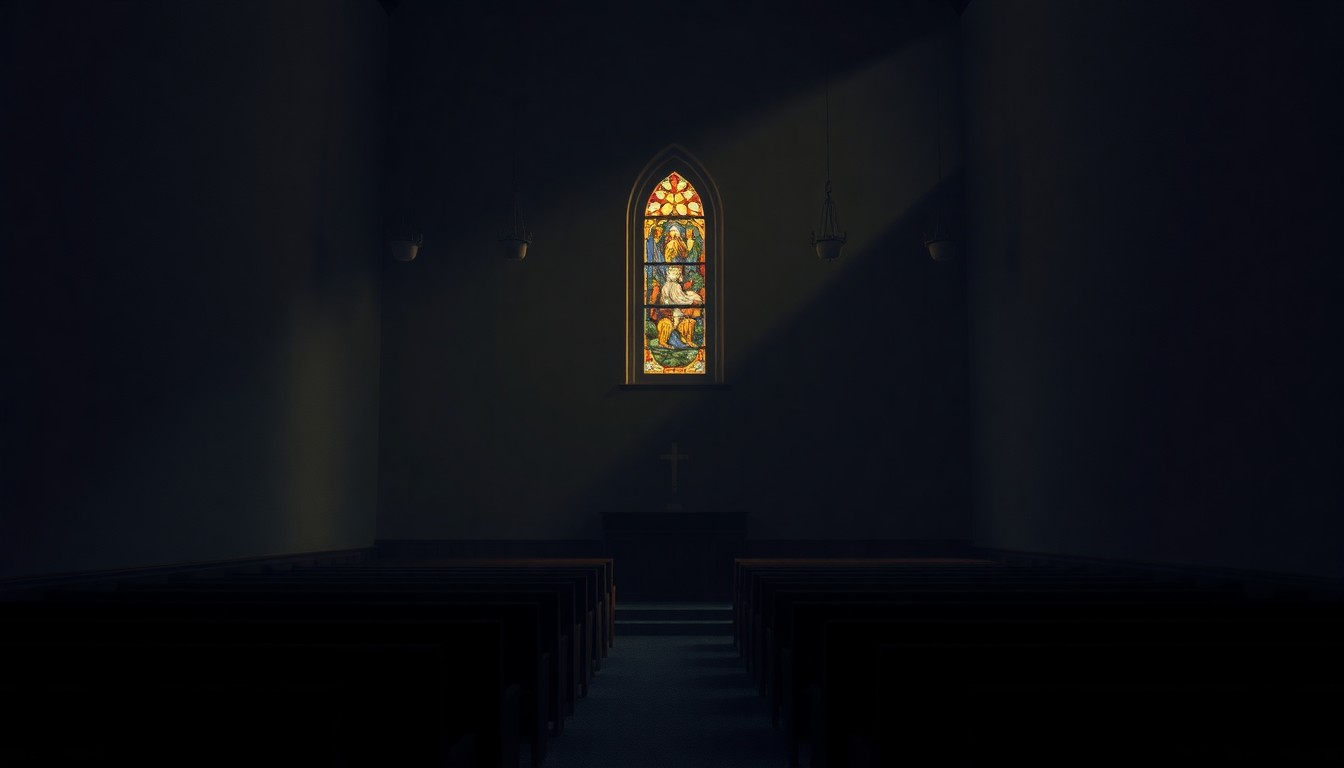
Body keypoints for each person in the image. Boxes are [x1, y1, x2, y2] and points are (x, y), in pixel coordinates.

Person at [654, 264, 702, 348]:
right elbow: (679, 300)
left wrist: (689, 297)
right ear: (669, 274)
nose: (676, 275)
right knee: (666, 324)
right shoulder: (668, 286)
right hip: (670, 315)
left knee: (689, 322)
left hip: (679, 315)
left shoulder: (676, 286)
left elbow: (681, 297)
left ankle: (688, 341)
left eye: (677, 273)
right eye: (674, 273)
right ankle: (662, 342)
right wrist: (692, 301)